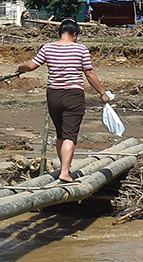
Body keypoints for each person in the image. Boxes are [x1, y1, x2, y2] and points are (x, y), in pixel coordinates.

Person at [15, 17, 112, 184]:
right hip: (73, 95)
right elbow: (89, 74)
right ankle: (65, 172)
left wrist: (19, 67)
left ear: (60, 33)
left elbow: (31, 66)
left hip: (53, 95)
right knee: (70, 135)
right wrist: (103, 93)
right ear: (74, 34)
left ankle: (63, 168)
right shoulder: (80, 50)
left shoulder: (48, 48)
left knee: (60, 133)